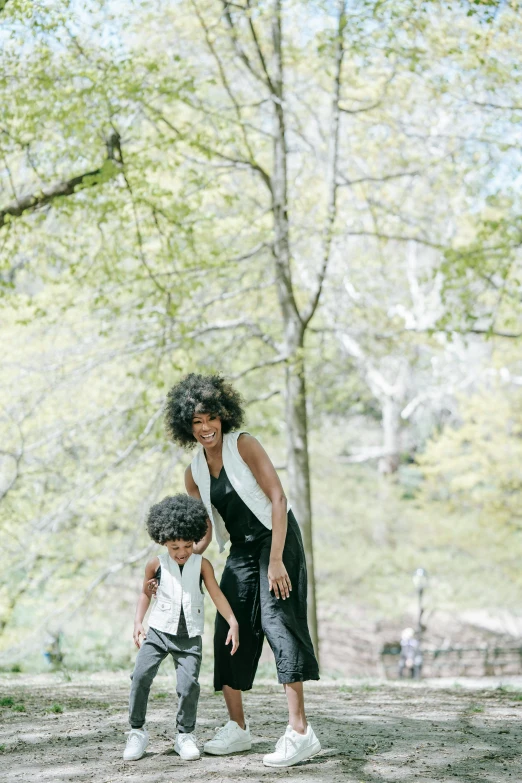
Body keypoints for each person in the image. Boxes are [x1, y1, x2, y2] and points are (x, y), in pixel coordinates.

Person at [162, 373, 321, 768]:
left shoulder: (243, 444)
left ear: (223, 416)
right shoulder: (193, 473)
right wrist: (177, 560)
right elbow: (206, 533)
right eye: (196, 422)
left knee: (278, 622)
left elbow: (278, 498)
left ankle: (300, 733)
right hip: (241, 550)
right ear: (187, 426)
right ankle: (238, 728)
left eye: (210, 419)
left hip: (276, 538)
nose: (204, 428)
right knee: (228, 628)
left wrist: (277, 559)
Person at [123, 494, 239, 763]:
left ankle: (184, 735)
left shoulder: (202, 565)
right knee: (140, 677)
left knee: (189, 686)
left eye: (187, 545)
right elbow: (145, 593)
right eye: (175, 547)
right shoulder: (156, 564)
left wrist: (232, 620)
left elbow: (216, 594)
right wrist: (138, 622)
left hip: (189, 637)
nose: (182, 552)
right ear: (164, 541)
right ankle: (137, 731)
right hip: (158, 633)